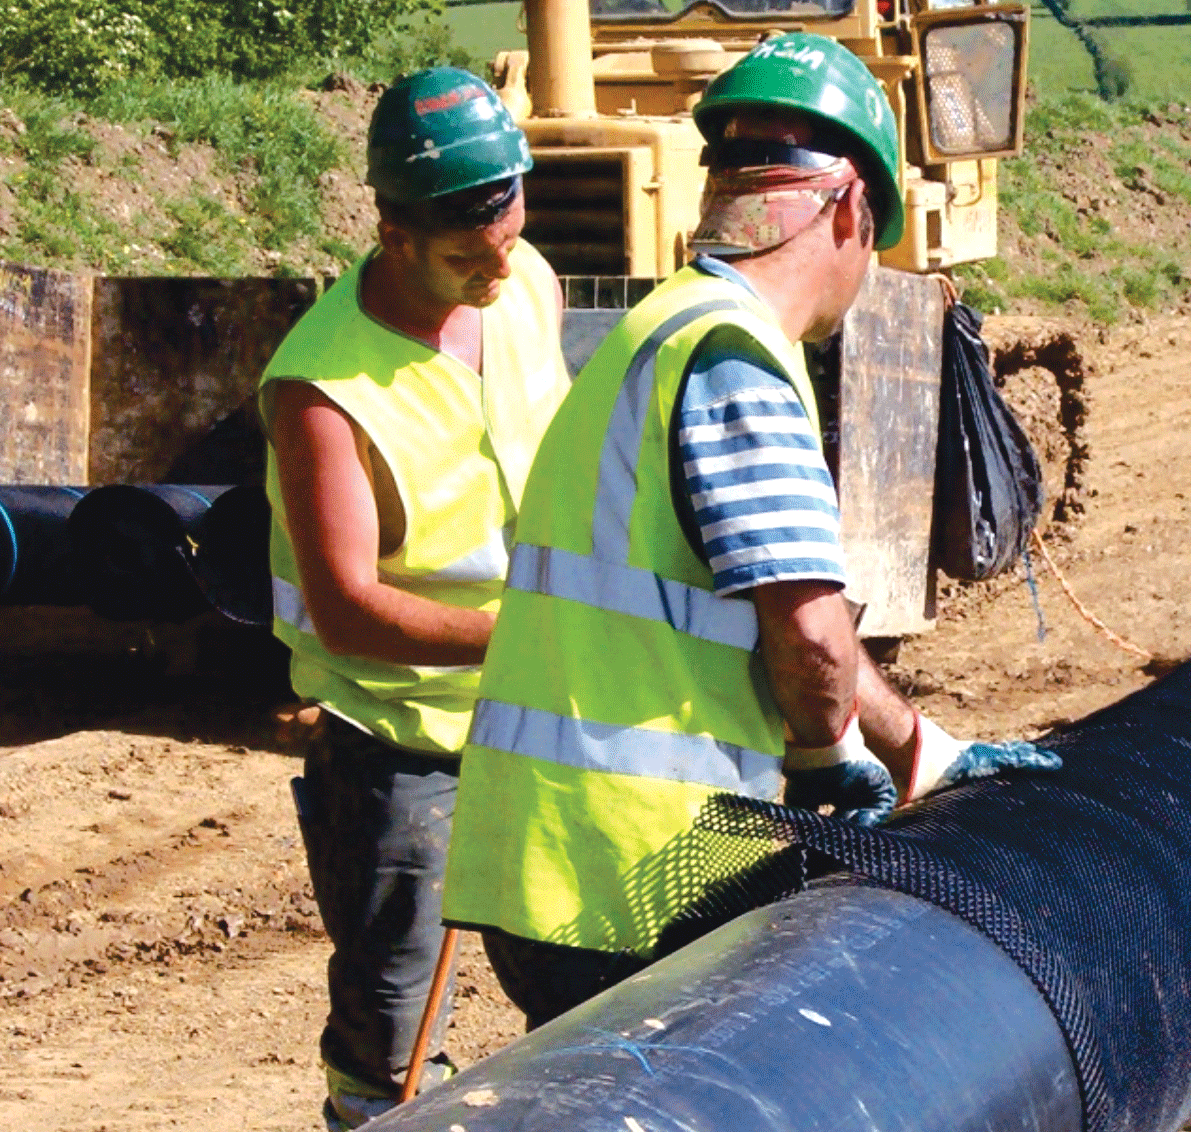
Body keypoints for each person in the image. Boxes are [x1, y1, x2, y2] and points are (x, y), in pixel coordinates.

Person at [440, 32, 1060, 1029]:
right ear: (853, 208)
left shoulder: (660, 330)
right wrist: (825, 761)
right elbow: (808, 630)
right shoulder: (737, 360)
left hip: (550, 870)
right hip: (645, 880)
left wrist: (914, 750)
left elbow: (762, 611)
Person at [260, 67, 569, 1132]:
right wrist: (529, 637)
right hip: (401, 739)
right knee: (392, 1028)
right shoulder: (322, 392)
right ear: (391, 230)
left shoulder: (524, 282)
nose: (497, 264)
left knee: (586, 978)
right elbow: (346, 609)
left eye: (508, 225)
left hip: (535, 718)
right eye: (461, 250)